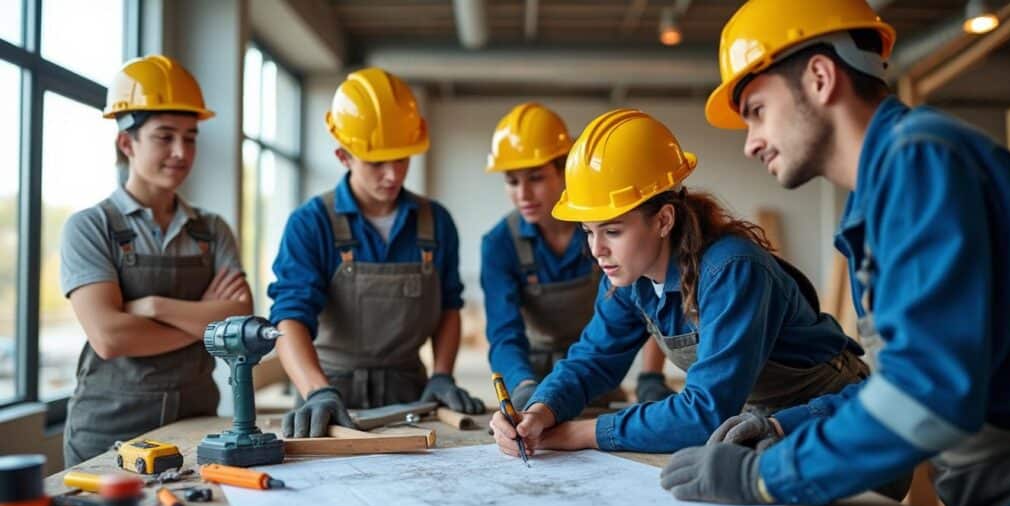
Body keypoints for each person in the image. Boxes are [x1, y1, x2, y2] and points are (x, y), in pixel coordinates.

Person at [662, 0, 1010, 506]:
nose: (750, 141)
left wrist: (763, 477)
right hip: (989, 496)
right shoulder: (880, 194)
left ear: (820, 76)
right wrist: (785, 426)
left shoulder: (919, 163)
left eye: (757, 110)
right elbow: (899, 380)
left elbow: (925, 399)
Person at [490, 108, 867, 457]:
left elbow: (704, 412)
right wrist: (540, 410)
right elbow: (591, 361)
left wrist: (577, 434)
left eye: (613, 231)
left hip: (835, 424)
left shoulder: (732, 271)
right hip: (754, 420)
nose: (597, 249)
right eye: (588, 232)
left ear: (664, 220)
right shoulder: (630, 280)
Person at [270, 68, 484, 438]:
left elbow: (450, 307)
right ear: (343, 156)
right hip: (330, 394)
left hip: (411, 395)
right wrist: (316, 391)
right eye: (377, 163)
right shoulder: (311, 223)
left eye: (402, 159)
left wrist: (442, 374)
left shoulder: (436, 223)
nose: (393, 175)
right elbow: (289, 319)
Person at [60, 55, 253, 466]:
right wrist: (205, 323)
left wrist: (154, 308)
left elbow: (242, 320)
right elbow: (110, 338)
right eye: (165, 137)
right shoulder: (90, 228)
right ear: (127, 143)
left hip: (196, 420)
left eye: (191, 137)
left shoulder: (213, 230)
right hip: (109, 429)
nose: (181, 152)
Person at [481, 102, 671, 409]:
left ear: (564, 169)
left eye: (536, 178)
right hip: (532, 380)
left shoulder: (604, 230)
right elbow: (504, 333)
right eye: (512, 181)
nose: (524, 194)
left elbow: (648, 299)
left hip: (601, 371)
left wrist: (650, 376)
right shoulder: (500, 244)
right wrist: (524, 387)